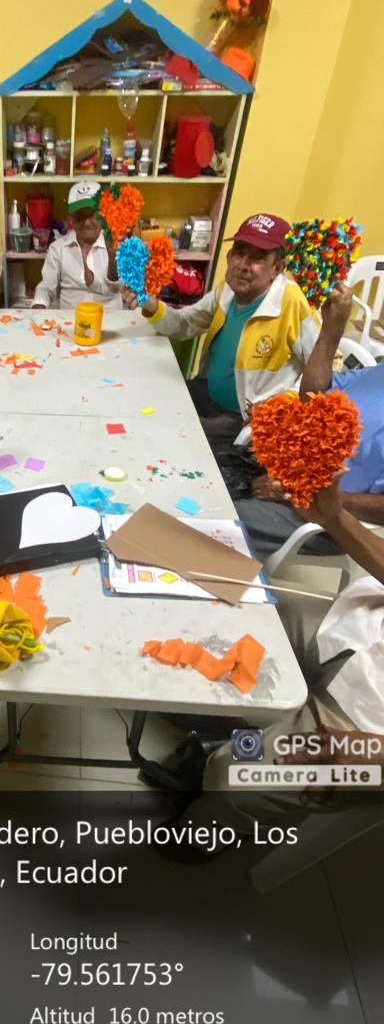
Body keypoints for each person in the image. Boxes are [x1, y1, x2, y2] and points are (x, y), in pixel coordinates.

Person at [176, 476, 384, 849]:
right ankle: (218, 729)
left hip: (368, 724)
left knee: (231, 783)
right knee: (233, 599)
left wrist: (375, 757)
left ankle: (196, 840)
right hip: (359, 625)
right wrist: (333, 515)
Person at [122, 213, 320, 437]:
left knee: (172, 432)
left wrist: (282, 403)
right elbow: (185, 323)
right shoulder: (228, 289)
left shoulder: (291, 302)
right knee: (147, 402)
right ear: (229, 256)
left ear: (277, 268)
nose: (243, 265)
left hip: (243, 419)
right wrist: (150, 304)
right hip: (207, 393)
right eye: (239, 253)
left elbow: (327, 368)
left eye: (257, 258)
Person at [237, 282, 384, 554]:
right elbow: (314, 395)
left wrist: (310, 495)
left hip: (328, 517)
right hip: (286, 472)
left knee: (220, 516)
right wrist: (330, 331)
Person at [32, 182, 122, 311]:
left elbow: (118, 289)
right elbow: (46, 288)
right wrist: (38, 310)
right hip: (70, 319)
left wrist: (113, 261)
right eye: (80, 216)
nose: (87, 222)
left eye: (93, 215)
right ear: (71, 219)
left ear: (103, 215)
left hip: (110, 318)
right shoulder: (58, 249)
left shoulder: (117, 245)